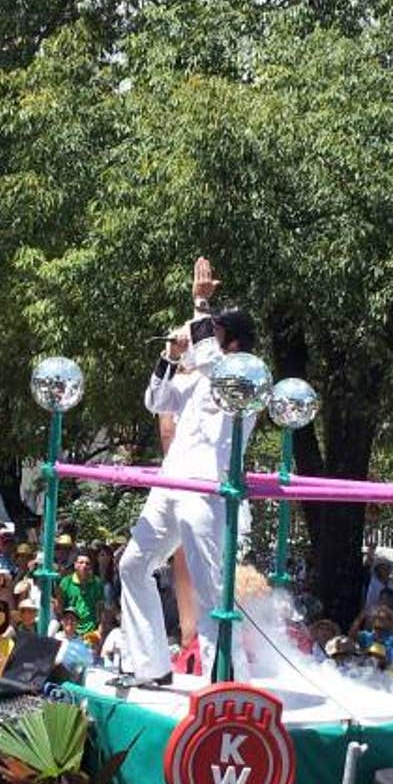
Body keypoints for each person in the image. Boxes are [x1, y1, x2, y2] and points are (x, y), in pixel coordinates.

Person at [116, 257, 261, 683]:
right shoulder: (198, 376)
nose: (203, 337)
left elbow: (210, 357)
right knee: (132, 566)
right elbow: (156, 401)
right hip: (171, 483)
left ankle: (227, 678)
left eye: (214, 330)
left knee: (210, 588)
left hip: (204, 489)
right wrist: (169, 354)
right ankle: (150, 666)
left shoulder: (244, 376)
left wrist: (200, 304)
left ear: (231, 342)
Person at [58, 552, 107, 637]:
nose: (84, 565)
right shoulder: (66, 582)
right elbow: (60, 607)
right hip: (71, 630)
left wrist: (99, 630)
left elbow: (101, 608)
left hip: (91, 631)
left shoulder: (97, 583)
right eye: (81, 562)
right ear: (75, 565)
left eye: (87, 563)